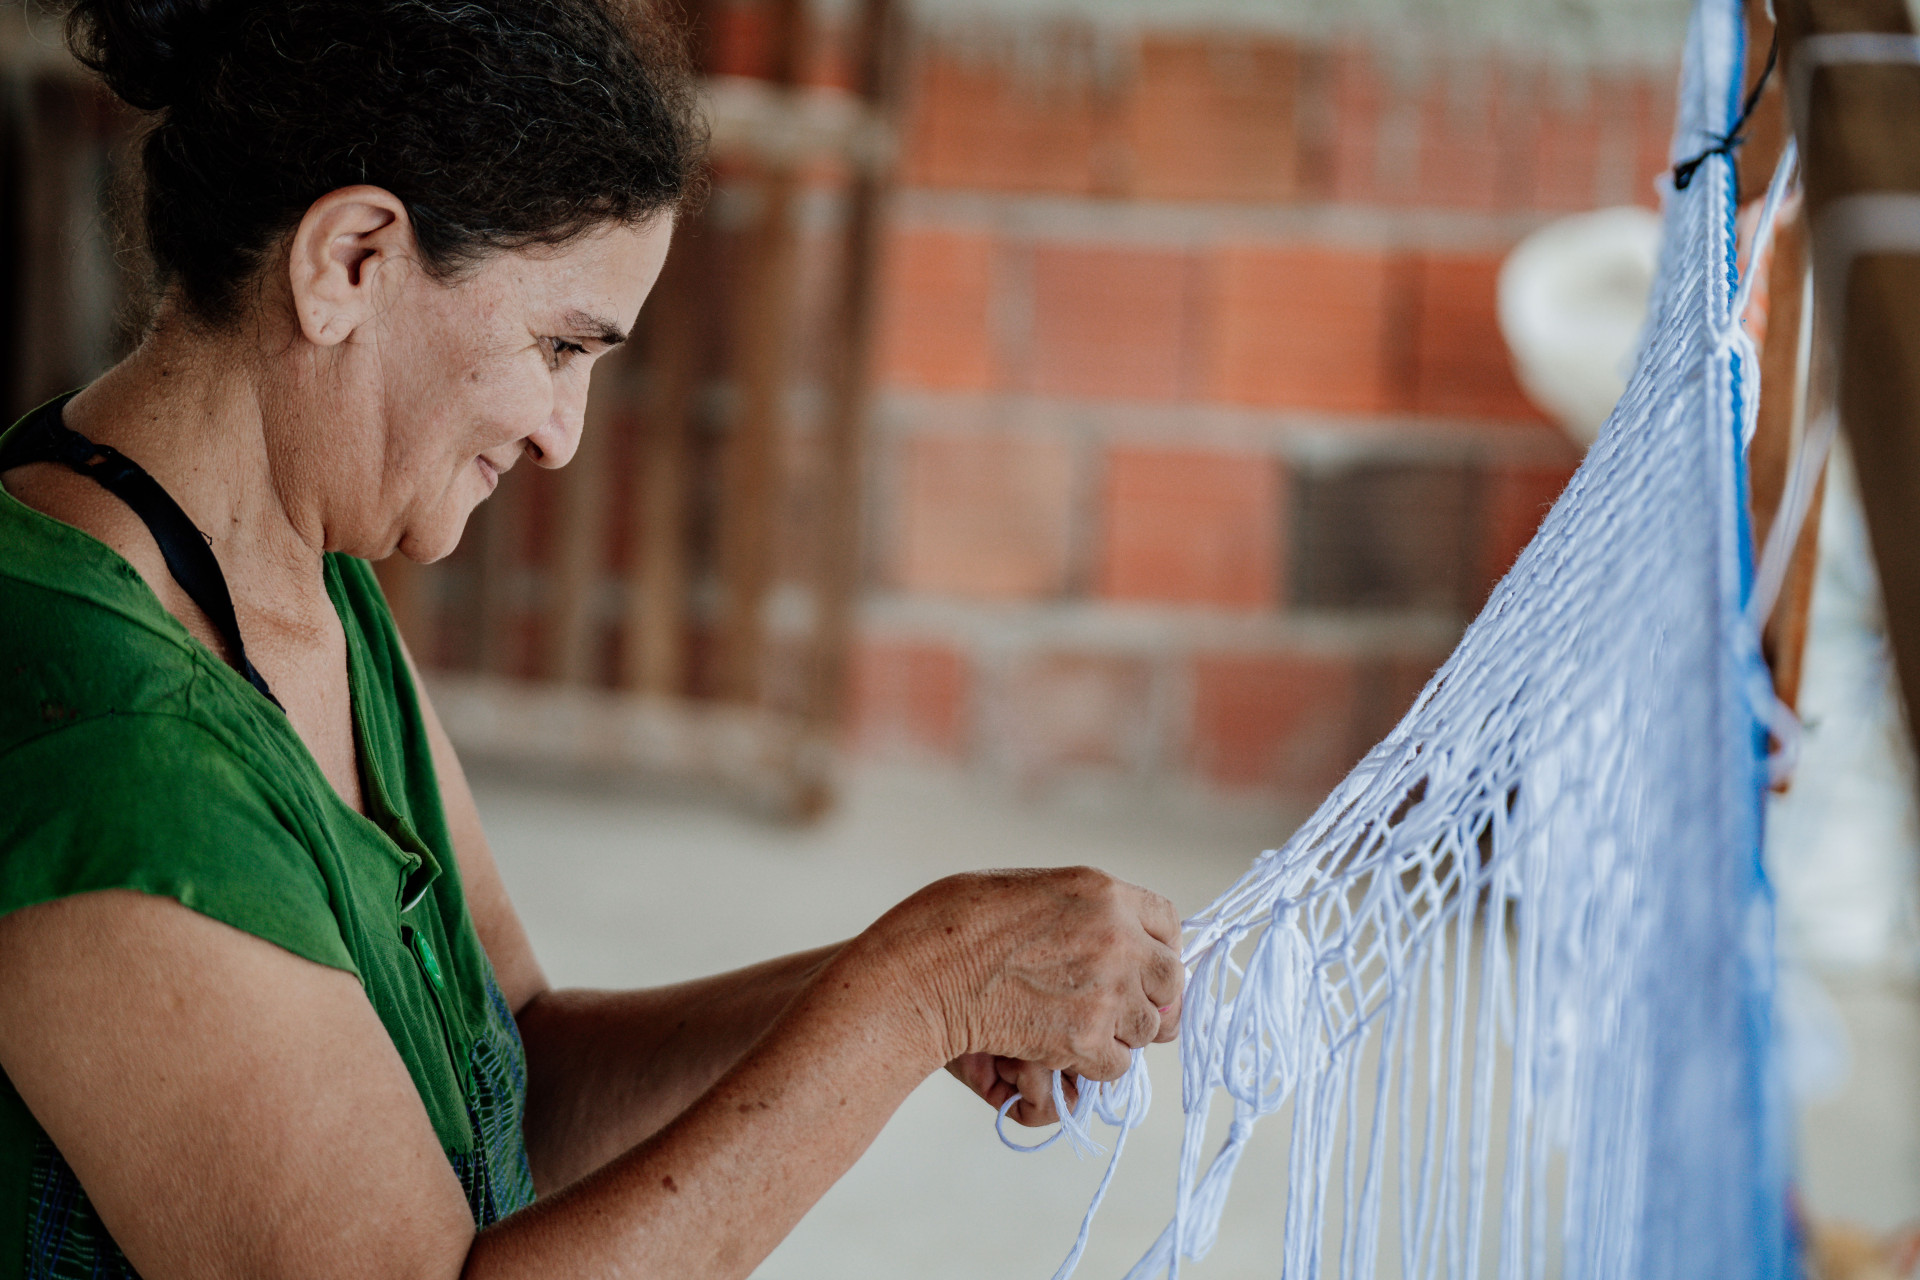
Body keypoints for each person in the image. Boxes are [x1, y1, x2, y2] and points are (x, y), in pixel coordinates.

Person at [0, 1, 1185, 1276]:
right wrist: (912, 992)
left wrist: (904, 984)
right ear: (350, 262)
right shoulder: (116, 745)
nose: (563, 431)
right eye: (557, 345)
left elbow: (521, 1061)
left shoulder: (275, 566)